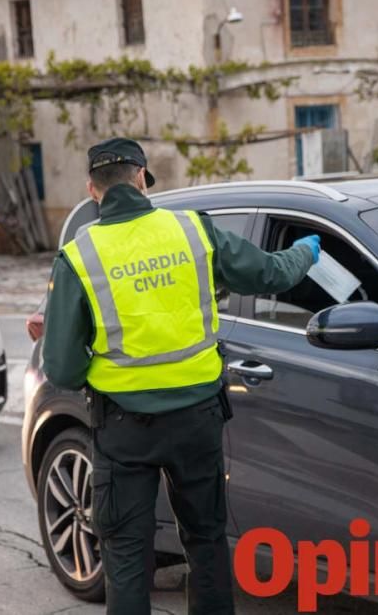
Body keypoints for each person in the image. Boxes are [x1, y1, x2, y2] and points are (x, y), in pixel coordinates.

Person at [41, 137, 320, 615]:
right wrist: (306, 252)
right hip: (197, 420)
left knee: (127, 557)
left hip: (125, 429)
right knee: (207, 541)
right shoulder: (192, 231)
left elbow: (63, 368)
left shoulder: (79, 256)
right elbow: (271, 273)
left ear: (92, 189)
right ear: (142, 177)